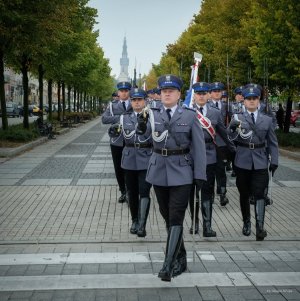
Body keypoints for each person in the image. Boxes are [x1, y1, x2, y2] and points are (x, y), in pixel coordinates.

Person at [137, 74, 206, 282]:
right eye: (163, 90)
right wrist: (141, 128)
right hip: (158, 170)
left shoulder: (189, 115)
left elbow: (199, 148)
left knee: (176, 215)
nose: (166, 93)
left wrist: (200, 175)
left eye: (171, 90)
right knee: (167, 216)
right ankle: (181, 257)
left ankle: (168, 265)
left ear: (179, 94)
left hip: (182, 171)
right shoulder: (152, 113)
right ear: (159, 93)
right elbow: (146, 137)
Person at [228, 87, 278, 241]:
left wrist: (274, 160)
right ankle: (247, 222)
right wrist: (231, 129)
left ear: (258, 101)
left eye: (254, 98)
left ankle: (260, 227)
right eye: (248, 98)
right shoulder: (237, 117)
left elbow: (272, 142)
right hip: (242, 161)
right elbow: (230, 138)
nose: (251, 101)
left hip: (260, 161)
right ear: (244, 100)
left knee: (259, 193)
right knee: (244, 193)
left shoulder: (267, 119)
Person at [189, 82, 236, 236]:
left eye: (204, 93)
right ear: (194, 95)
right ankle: (195, 223)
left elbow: (223, 133)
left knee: (207, 191)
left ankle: (207, 226)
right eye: (198, 93)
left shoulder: (215, 113)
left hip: (209, 155)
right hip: (191, 155)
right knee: (192, 192)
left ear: (208, 95)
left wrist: (233, 150)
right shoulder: (187, 111)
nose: (201, 96)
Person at [110, 88, 152, 237]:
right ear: (131, 102)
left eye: (140, 100)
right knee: (132, 193)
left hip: (146, 158)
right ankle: (134, 220)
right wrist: (114, 132)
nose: (137, 103)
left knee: (144, 191)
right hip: (129, 160)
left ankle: (142, 224)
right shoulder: (124, 118)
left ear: (145, 101)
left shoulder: (152, 117)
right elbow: (117, 138)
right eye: (134, 100)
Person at [102, 82, 132, 203]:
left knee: (130, 168)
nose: (124, 93)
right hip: (117, 141)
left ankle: (131, 191)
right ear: (118, 93)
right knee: (118, 167)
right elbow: (104, 119)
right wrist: (121, 118)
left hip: (132, 141)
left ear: (129, 92)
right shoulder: (112, 106)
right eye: (121, 91)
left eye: (126, 91)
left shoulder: (135, 103)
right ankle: (123, 192)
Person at [208, 82, 231, 206]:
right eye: (214, 91)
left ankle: (223, 194)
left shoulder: (228, 106)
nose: (217, 93)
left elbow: (232, 121)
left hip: (222, 143)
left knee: (221, 170)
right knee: (210, 170)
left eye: (219, 91)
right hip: (210, 143)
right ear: (210, 93)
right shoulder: (206, 106)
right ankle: (210, 195)